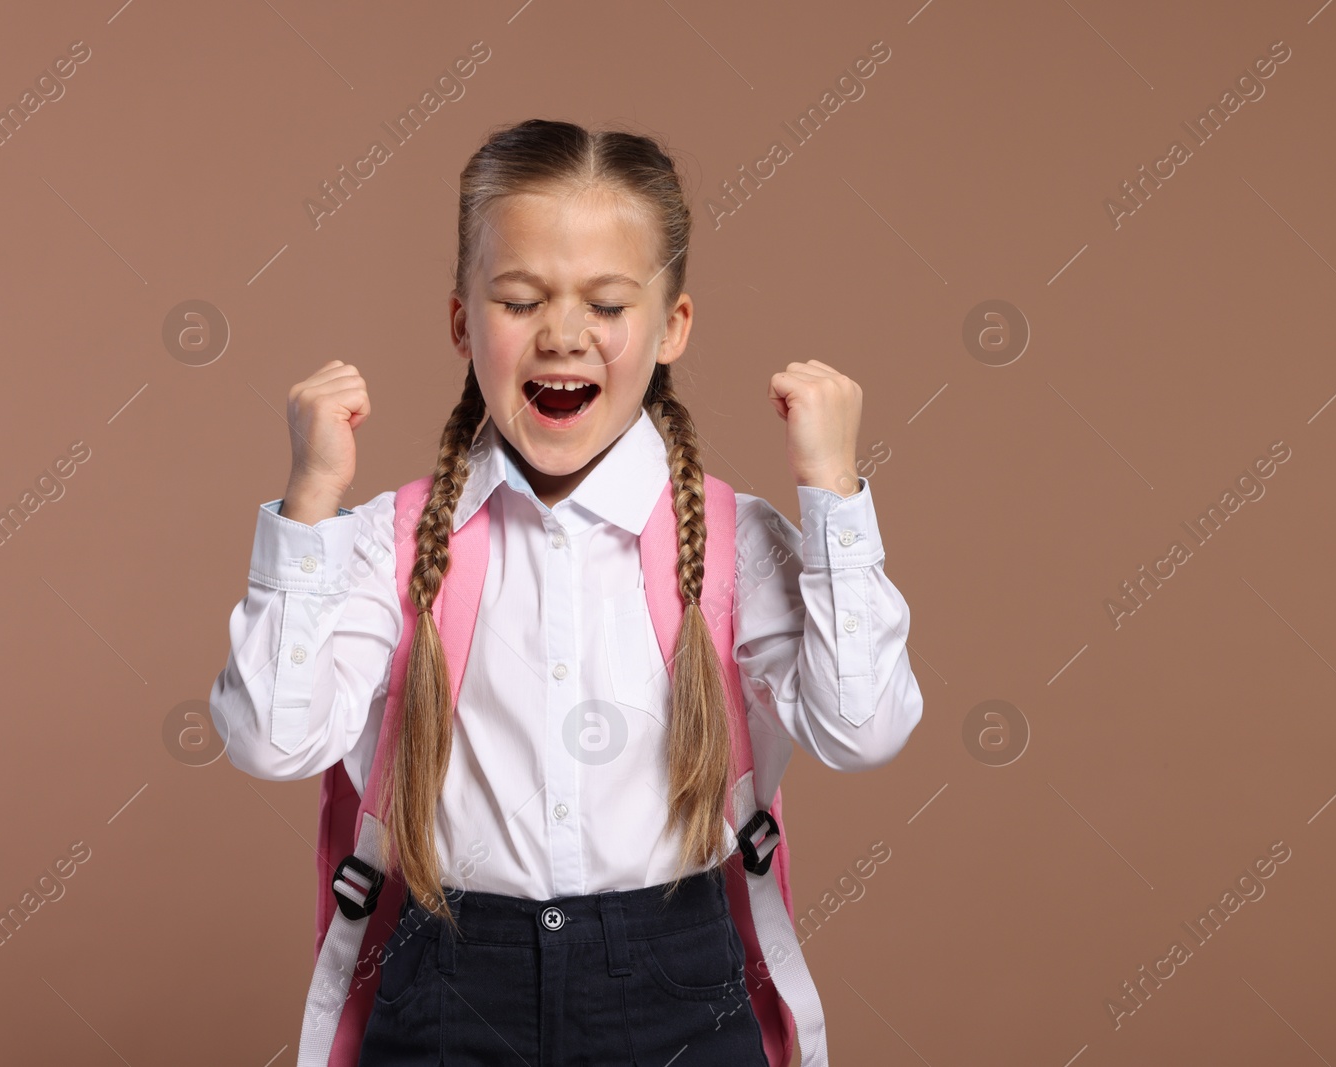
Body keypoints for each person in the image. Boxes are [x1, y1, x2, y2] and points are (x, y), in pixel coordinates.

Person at [208, 117, 924, 1065]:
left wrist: (833, 495)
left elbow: (862, 727)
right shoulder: (386, 540)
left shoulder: (737, 543)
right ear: (464, 321)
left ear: (672, 327)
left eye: (608, 304)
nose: (562, 334)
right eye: (520, 298)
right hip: (449, 983)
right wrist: (310, 502)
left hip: (679, 980)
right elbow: (268, 739)